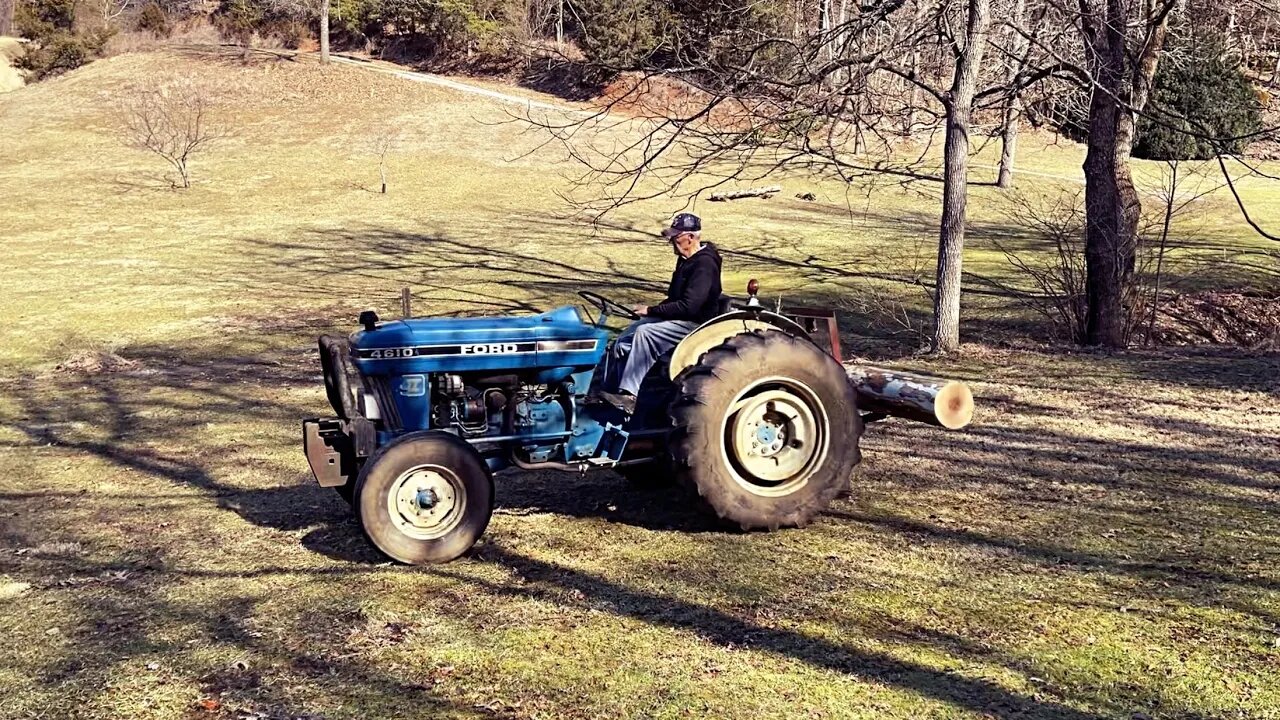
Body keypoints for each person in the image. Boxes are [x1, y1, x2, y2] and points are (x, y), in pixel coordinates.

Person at [599, 213, 723, 414]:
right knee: (625, 338)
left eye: (675, 238)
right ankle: (609, 391)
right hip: (681, 318)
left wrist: (652, 311)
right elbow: (675, 300)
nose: (671, 242)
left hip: (696, 324)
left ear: (690, 238)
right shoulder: (685, 260)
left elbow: (689, 306)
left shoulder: (704, 264)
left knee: (645, 333)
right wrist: (648, 312)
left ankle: (629, 396)